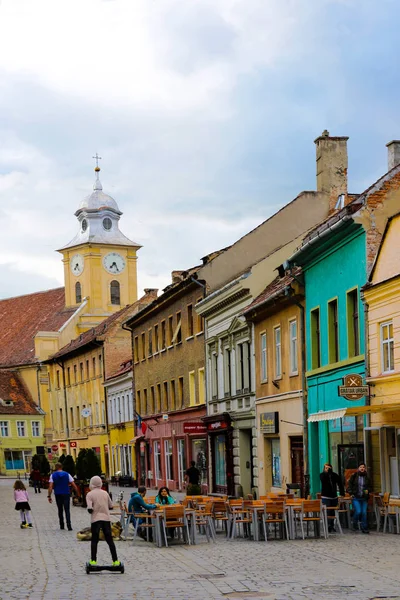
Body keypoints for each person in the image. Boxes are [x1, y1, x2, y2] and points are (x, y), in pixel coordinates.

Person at [86, 475, 120, 567]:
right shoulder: (105, 493)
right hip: (106, 519)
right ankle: (115, 561)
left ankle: (93, 561)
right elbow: (111, 506)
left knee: (94, 540)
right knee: (110, 540)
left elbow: (90, 508)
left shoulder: (90, 494)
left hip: (95, 520)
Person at [47, 462, 80, 530]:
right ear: (62, 467)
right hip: (66, 493)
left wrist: (49, 496)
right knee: (67, 510)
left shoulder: (52, 475)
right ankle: (69, 526)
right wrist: (77, 494)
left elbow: (50, 486)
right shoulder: (67, 474)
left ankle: (62, 525)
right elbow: (74, 485)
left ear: (56, 467)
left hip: (58, 494)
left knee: (60, 510)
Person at [320, 463, 345, 532]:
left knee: (333, 511)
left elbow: (340, 483)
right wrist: (327, 473)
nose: (327, 469)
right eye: (326, 468)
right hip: (325, 496)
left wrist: (342, 493)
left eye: (329, 468)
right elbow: (323, 480)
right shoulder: (322, 475)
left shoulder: (334, 475)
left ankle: (332, 525)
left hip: (334, 496)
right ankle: (327, 525)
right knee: (327, 511)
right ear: (324, 469)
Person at [347, 462, 371, 533]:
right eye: (361, 467)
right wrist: (351, 493)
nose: (362, 468)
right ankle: (354, 523)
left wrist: (368, 490)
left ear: (365, 468)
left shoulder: (367, 477)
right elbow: (350, 485)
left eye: (363, 467)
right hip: (356, 496)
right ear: (358, 468)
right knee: (358, 511)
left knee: (364, 512)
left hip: (364, 497)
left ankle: (364, 528)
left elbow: (370, 486)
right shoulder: (354, 476)